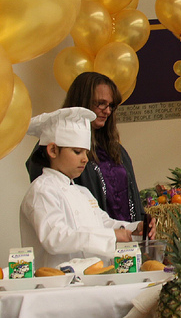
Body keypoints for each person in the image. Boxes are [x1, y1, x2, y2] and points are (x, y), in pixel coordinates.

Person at [20, 108, 156, 269]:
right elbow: (55, 238)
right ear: (53, 150)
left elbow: (104, 223)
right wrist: (112, 236)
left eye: (86, 152)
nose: (85, 159)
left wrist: (134, 229)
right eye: (77, 152)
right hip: (57, 285)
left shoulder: (82, 192)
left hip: (92, 278)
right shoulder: (41, 190)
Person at [26, 72, 144, 223]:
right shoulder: (55, 147)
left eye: (111, 105)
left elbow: (129, 201)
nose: (107, 111)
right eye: (101, 103)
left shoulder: (116, 150)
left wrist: (140, 225)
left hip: (123, 241)